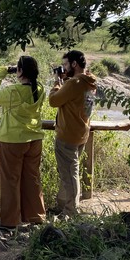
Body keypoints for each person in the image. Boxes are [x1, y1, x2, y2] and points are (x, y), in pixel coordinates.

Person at [0, 56, 47, 229]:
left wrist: (1, 73)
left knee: (9, 181)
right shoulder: (40, 88)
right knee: (32, 178)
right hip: (34, 138)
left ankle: (10, 221)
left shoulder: (14, 91)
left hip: (12, 140)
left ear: (20, 71)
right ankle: (36, 216)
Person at [49, 50, 97, 217]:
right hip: (81, 132)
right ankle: (64, 205)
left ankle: (70, 211)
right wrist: (65, 81)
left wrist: (57, 83)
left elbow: (53, 101)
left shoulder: (74, 83)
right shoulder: (89, 81)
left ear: (74, 64)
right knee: (71, 171)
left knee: (69, 174)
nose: (64, 68)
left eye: (65, 65)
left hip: (68, 134)